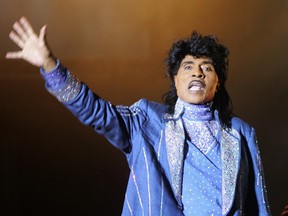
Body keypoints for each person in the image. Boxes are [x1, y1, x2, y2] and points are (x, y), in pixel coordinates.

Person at [6, 17, 271, 215]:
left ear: (218, 82)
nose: (197, 73)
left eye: (207, 67)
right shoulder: (147, 121)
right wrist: (50, 65)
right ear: (175, 80)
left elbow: (257, 204)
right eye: (188, 67)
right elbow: (97, 112)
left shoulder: (240, 132)